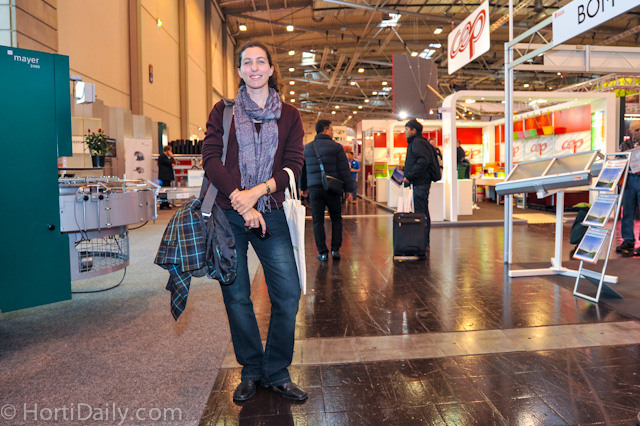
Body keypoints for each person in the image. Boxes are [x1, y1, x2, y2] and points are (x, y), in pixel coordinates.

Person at [202, 40, 307, 402]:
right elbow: (210, 160)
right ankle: (250, 369)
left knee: (288, 295)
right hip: (229, 215)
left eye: (261, 61)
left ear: (271, 69)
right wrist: (242, 202)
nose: (255, 67)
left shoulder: (290, 115)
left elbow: (293, 166)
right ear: (239, 70)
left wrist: (258, 193)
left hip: (272, 212)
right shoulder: (223, 111)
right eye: (247, 62)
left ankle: (276, 370)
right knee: (236, 296)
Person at [300, 119, 354, 261]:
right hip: (333, 188)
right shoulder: (337, 147)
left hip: (314, 189)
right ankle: (335, 250)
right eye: (331, 129)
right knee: (336, 219)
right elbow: (344, 170)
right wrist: (349, 190)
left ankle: (322, 252)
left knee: (317, 220)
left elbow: (302, 170)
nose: (332, 132)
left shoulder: (307, 148)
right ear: (325, 130)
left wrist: (303, 187)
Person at [403, 119, 435, 253]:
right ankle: (423, 242)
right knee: (422, 212)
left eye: (406, 129)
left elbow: (423, 161)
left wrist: (409, 176)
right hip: (420, 182)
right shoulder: (418, 142)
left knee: (421, 213)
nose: (404, 132)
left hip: (421, 183)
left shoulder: (417, 143)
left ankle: (423, 242)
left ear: (413, 130)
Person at [616, 120, 640, 256]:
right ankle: (628, 240)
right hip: (629, 179)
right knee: (627, 211)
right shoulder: (625, 145)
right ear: (630, 131)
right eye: (637, 130)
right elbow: (619, 160)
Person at [158, 145, 175, 209]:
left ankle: (166, 204)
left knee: (166, 190)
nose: (171, 152)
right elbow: (169, 162)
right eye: (170, 151)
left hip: (166, 176)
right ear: (167, 151)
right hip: (165, 176)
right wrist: (172, 157)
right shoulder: (163, 156)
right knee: (165, 190)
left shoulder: (163, 157)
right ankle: (163, 204)